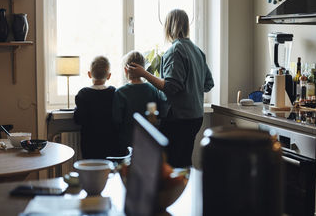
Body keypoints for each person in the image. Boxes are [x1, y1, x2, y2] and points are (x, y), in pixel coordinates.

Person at [127, 9, 214, 167]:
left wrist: (144, 73)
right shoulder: (198, 51)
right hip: (196, 117)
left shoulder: (175, 51)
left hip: (178, 118)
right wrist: (191, 88)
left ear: (168, 26)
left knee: (171, 164)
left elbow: (171, 87)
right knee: (184, 161)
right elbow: (208, 84)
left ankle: (176, 191)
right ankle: (188, 190)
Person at [112, 51, 167, 153]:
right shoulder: (153, 90)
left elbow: (117, 120)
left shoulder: (120, 92)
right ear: (143, 69)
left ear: (125, 70)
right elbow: (159, 115)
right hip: (148, 141)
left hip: (126, 142)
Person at [74, 56, 119, 159]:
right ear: (109, 76)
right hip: (111, 141)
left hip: (90, 143)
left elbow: (78, 119)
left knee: (91, 170)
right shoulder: (114, 92)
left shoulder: (83, 94)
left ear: (89, 74)